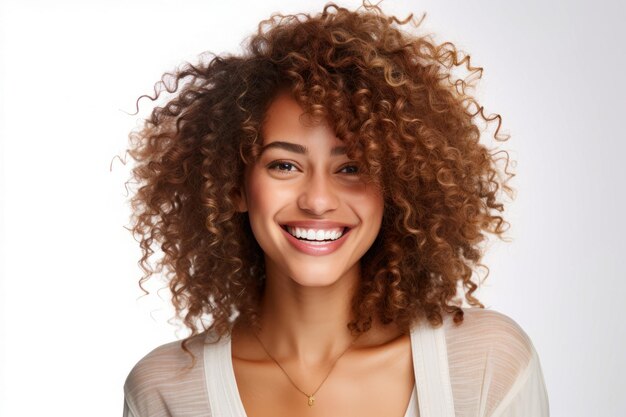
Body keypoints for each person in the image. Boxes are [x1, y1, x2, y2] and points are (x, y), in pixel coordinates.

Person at [122, 2, 550, 416]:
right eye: (284, 165)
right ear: (235, 186)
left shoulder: (485, 365)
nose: (319, 200)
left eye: (352, 167)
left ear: (396, 186)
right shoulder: (167, 390)